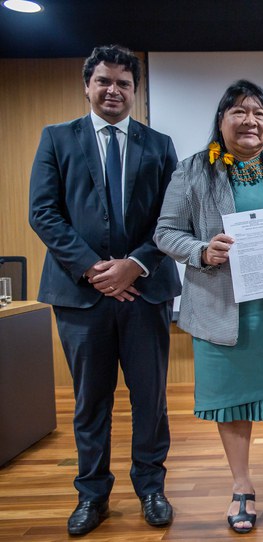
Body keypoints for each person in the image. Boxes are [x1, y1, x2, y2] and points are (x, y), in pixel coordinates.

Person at [28, 45, 180, 535]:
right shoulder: (57, 138)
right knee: (90, 400)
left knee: (150, 398)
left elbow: (172, 219)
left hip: (145, 292)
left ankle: (151, 489)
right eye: (104, 82)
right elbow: (43, 213)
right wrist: (97, 270)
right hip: (81, 295)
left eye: (124, 83)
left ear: (135, 91)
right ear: (87, 85)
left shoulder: (158, 144)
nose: (114, 90)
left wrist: (134, 266)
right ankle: (92, 495)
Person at [154, 80, 263, 533]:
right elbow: (165, 233)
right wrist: (203, 251)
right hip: (220, 311)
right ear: (221, 121)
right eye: (239, 112)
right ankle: (241, 486)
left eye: (259, 113)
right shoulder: (192, 172)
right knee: (233, 404)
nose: (250, 121)